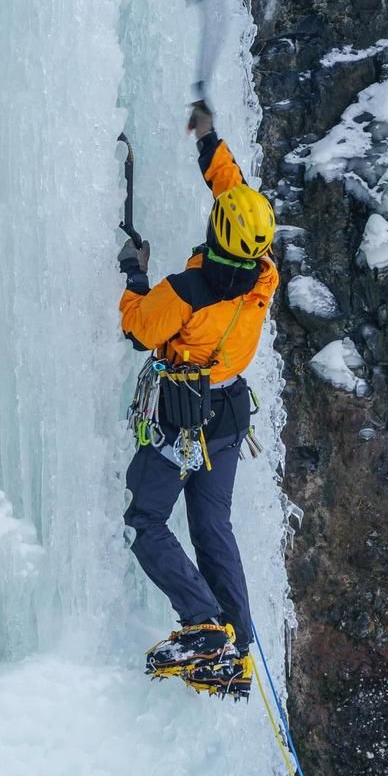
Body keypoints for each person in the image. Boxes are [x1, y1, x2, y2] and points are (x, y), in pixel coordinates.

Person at [117, 98, 278, 698]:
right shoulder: (264, 275)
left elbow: (138, 330)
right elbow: (235, 195)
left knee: (144, 519)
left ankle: (204, 627)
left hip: (183, 421)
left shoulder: (188, 290)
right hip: (230, 414)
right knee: (212, 524)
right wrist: (210, 142)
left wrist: (135, 273)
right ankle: (237, 637)